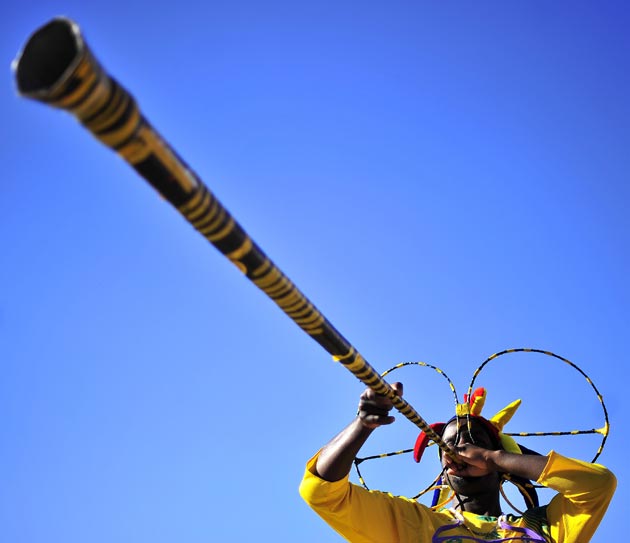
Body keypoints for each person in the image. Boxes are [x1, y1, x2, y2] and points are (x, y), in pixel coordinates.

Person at [299, 382, 616, 542]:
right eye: (446, 446)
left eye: (473, 443)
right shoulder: (415, 522)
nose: (456, 450)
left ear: (504, 467)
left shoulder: (542, 527)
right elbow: (321, 493)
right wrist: (362, 425)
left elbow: (598, 485)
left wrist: (499, 456)